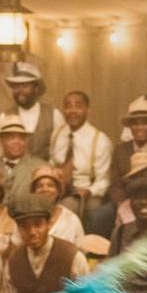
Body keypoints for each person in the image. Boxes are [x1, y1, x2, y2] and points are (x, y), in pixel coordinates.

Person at [49, 90, 112, 222]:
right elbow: (52, 162)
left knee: (65, 208)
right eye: (68, 106)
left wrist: (89, 191)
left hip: (83, 191)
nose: (72, 111)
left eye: (78, 106)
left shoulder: (100, 140)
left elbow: (104, 179)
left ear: (87, 110)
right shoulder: (57, 133)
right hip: (57, 189)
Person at [0, 62, 64, 161]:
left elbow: (61, 150)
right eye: (16, 87)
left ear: (36, 89)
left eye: (25, 86)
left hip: (44, 174)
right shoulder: (4, 117)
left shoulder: (53, 114)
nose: (20, 91)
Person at [0, 114, 46, 206]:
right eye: (11, 137)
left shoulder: (40, 167)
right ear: (1, 141)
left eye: (21, 138)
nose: (17, 142)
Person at [30, 166, 85, 247]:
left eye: (50, 185)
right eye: (39, 186)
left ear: (58, 191)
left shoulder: (71, 220)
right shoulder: (25, 217)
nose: (45, 189)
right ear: (33, 192)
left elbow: (81, 252)